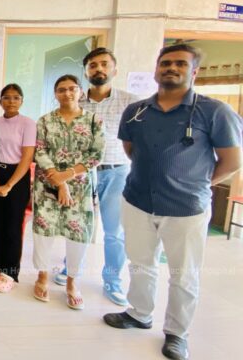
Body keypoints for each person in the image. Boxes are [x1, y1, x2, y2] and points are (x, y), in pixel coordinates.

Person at [104, 44, 242, 360]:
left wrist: (195, 184)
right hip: (138, 200)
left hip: (186, 208)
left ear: (194, 71)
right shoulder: (136, 111)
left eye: (180, 63)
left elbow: (232, 161)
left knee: (183, 273)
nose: (171, 68)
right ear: (157, 69)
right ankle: (139, 313)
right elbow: (131, 150)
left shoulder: (214, 112)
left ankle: (177, 333)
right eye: (165, 63)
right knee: (140, 263)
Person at [53, 48, 141, 306]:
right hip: (80, 173)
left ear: (115, 69)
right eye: (93, 65)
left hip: (117, 170)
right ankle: (71, 269)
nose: (98, 69)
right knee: (77, 224)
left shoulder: (131, 102)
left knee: (114, 231)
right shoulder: (76, 101)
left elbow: (140, 139)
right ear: (86, 72)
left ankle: (112, 280)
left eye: (104, 64)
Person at [32, 74, 104, 310]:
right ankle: (42, 277)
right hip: (47, 183)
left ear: (80, 91)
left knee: (78, 233)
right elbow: (40, 151)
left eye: (72, 88)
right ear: (55, 94)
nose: (67, 93)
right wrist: (59, 181)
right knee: (43, 231)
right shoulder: (45, 121)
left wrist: (69, 175)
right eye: (61, 89)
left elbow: (96, 154)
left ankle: (72, 282)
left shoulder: (93, 121)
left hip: (80, 186)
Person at [0, 84, 36, 293]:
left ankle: (10, 272)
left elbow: (27, 157)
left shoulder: (28, 124)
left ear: (22, 101)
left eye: (16, 97)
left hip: (17, 177)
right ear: (0, 101)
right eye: (7, 97)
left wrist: (9, 185)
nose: (11, 101)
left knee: (13, 226)